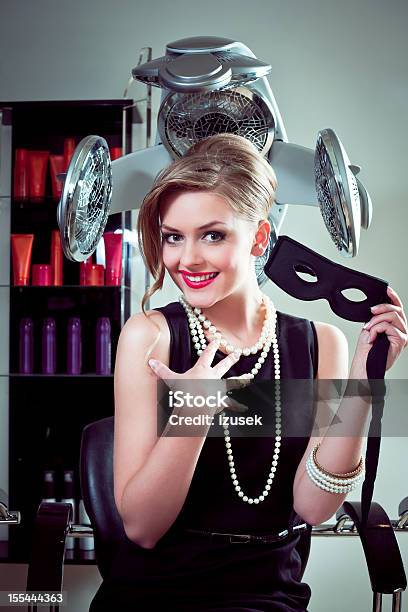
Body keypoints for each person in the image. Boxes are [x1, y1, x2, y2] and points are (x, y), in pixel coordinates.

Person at [90, 134, 407, 611]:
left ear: (259, 237)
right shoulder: (149, 337)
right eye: (173, 236)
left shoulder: (321, 344)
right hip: (155, 594)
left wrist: (363, 386)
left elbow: (313, 508)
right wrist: (194, 411)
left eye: (212, 235)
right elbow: (142, 528)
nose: (187, 259)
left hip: (271, 595)